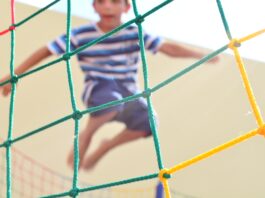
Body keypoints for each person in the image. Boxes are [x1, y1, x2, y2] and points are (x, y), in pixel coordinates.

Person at [0, 0, 218, 170]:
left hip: (129, 91)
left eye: (115, 1)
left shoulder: (134, 32)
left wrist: (200, 55)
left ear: (126, 6)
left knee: (151, 122)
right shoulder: (81, 34)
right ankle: (88, 134)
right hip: (99, 87)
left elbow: (167, 48)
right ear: (94, 6)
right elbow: (47, 49)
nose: (108, 6)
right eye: (101, 1)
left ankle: (104, 147)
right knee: (113, 99)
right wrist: (14, 74)